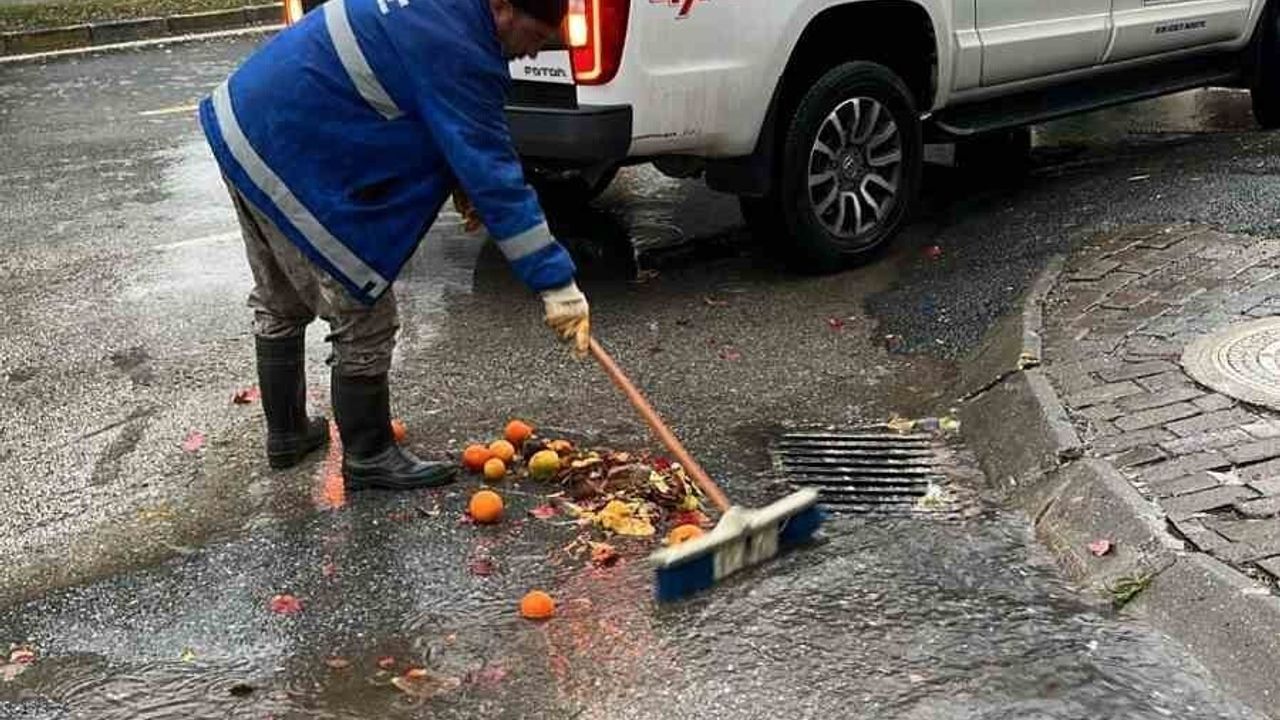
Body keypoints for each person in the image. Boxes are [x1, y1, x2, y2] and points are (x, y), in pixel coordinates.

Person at [198, 0, 590, 491]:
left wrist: (458, 181)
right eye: (534, 37)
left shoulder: (443, 12)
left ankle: (288, 434)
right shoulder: (460, 46)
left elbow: (417, 101)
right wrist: (557, 284)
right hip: (290, 147)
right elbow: (495, 173)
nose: (532, 54)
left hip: (243, 120)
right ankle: (369, 455)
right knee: (363, 307)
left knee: (280, 295)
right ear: (502, 6)